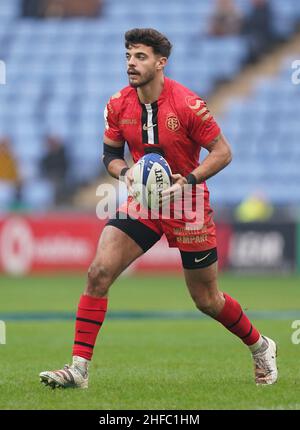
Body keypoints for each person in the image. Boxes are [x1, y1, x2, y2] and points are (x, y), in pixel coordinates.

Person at [40, 28, 278, 389]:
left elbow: (223, 152)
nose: (131, 64)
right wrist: (128, 173)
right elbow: (109, 155)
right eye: (128, 57)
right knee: (98, 273)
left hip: (188, 203)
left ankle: (261, 346)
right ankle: (78, 369)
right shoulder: (118, 104)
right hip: (144, 201)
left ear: (160, 62)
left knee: (207, 300)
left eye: (140, 57)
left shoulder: (187, 104)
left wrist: (190, 180)